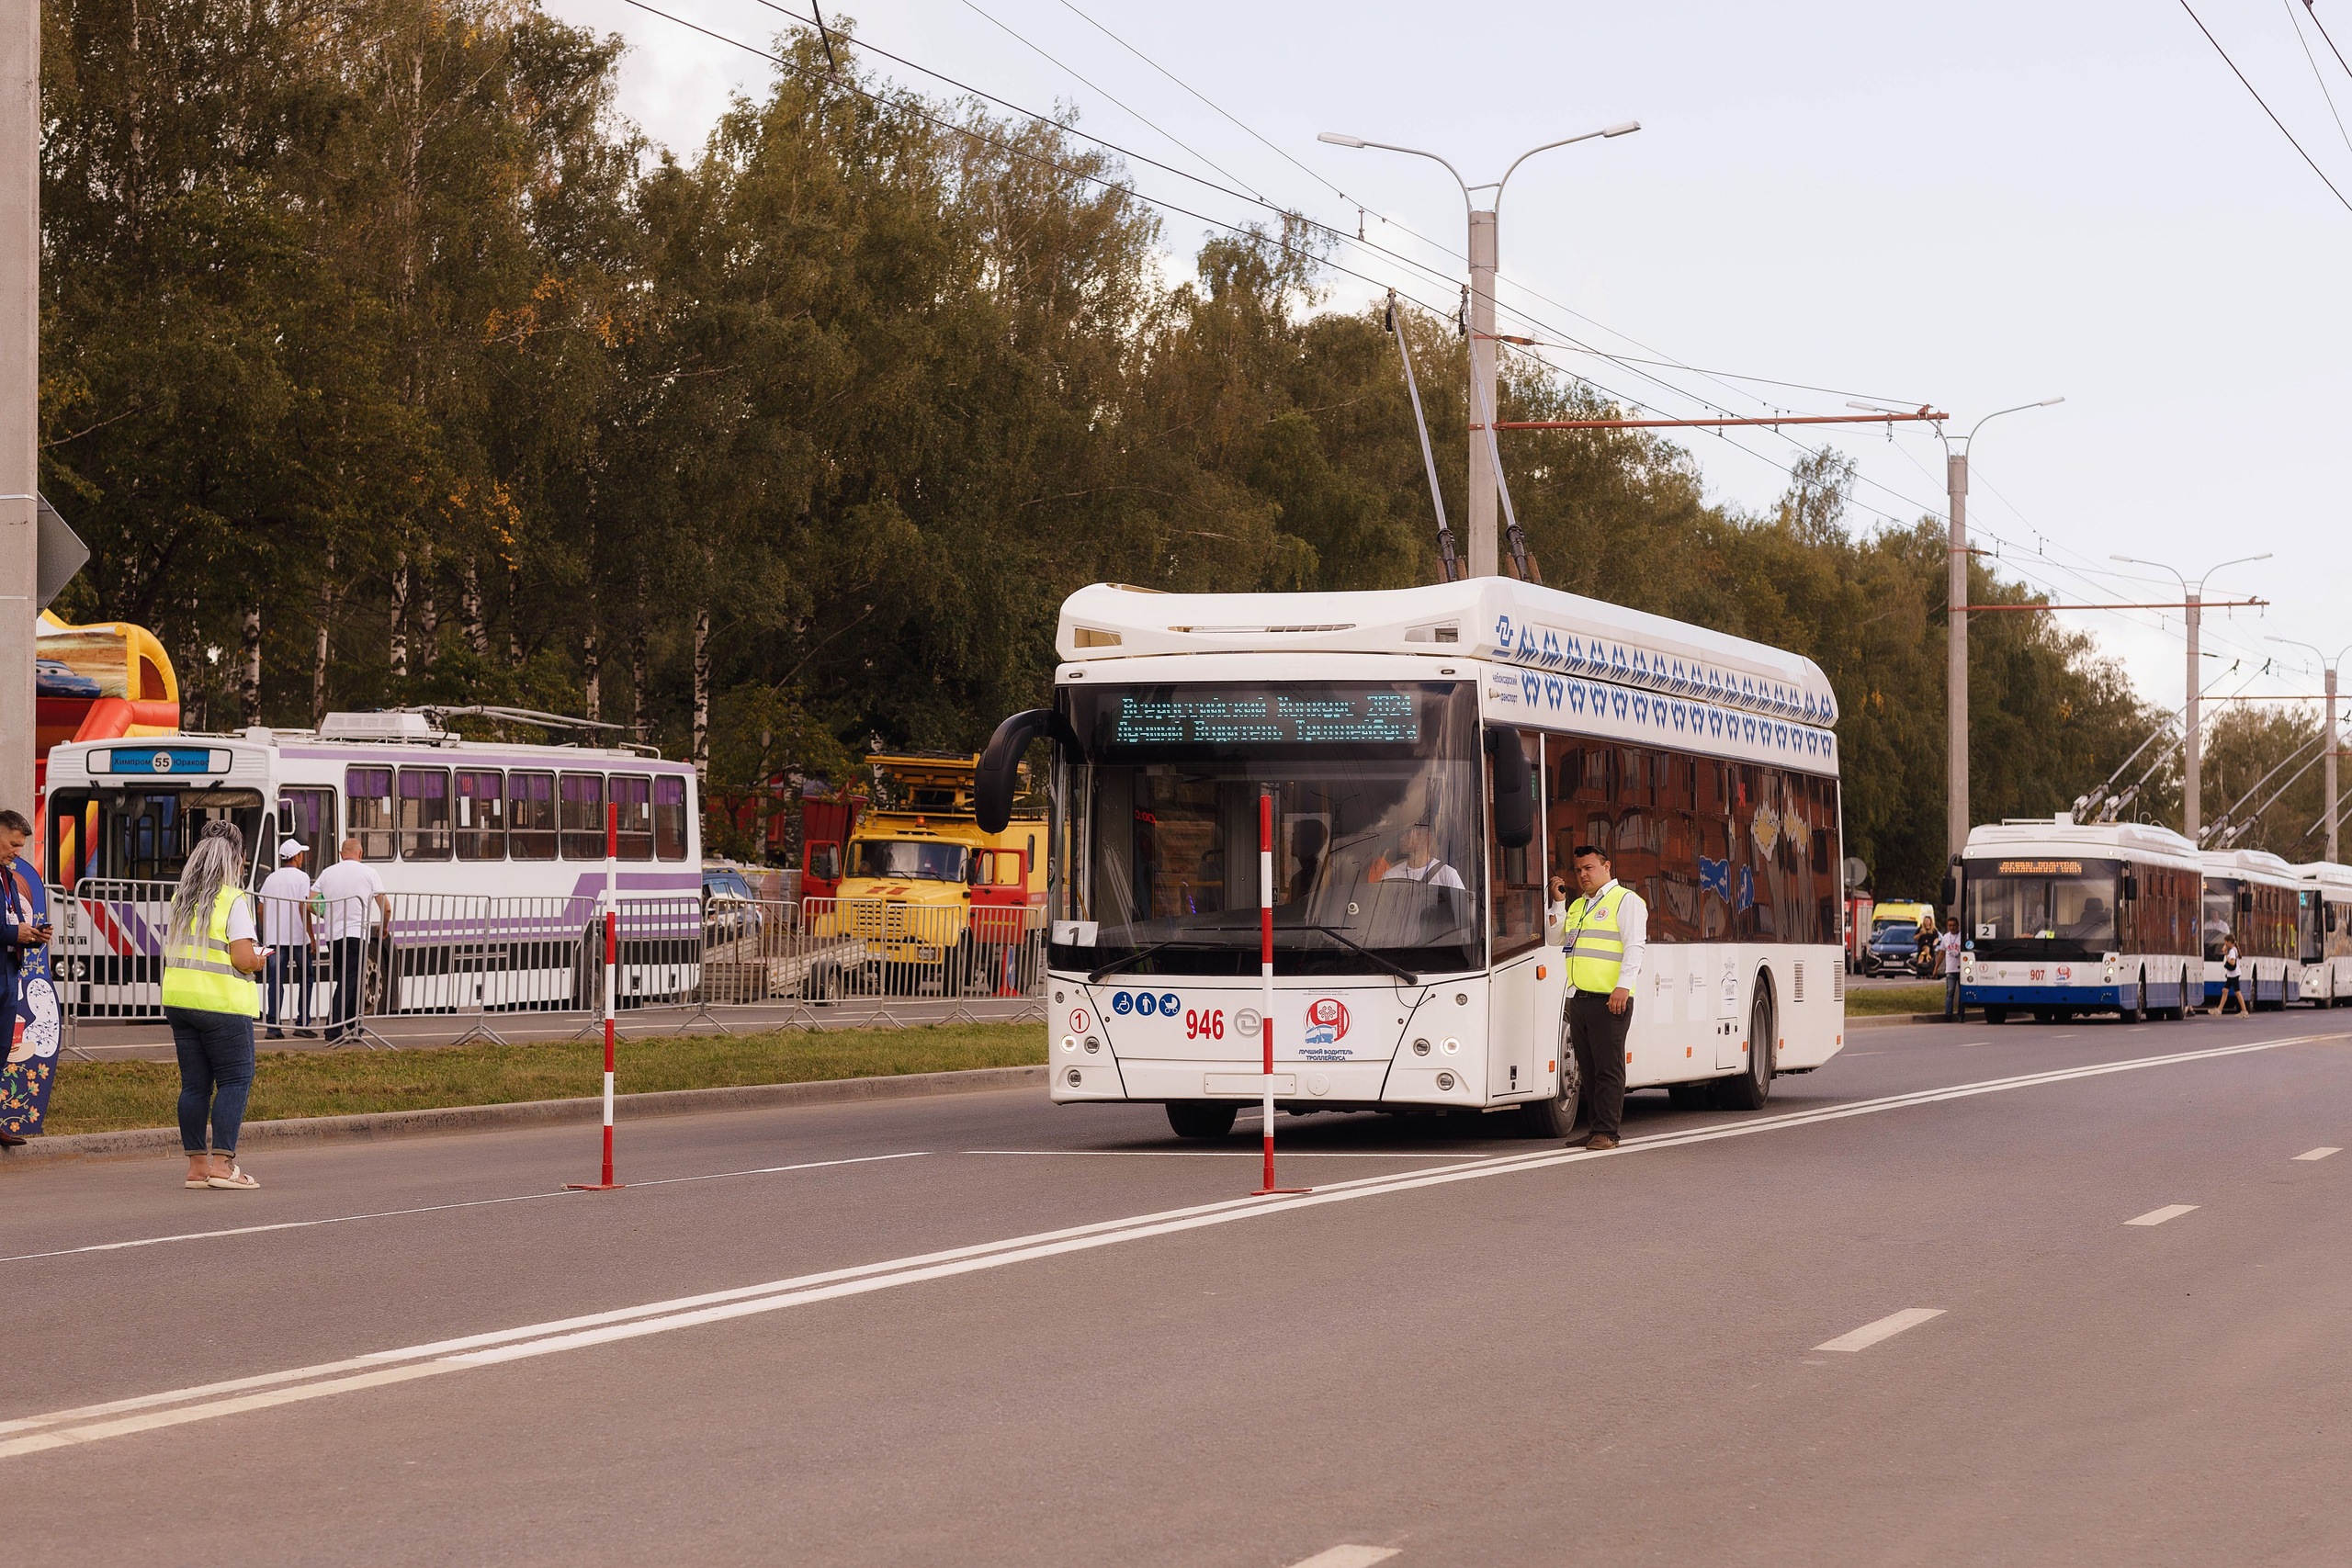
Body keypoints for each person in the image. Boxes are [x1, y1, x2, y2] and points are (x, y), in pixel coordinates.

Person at [162, 819, 268, 1189]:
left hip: (179, 1001)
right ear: (234, 860)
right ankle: (223, 1166)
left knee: (194, 1086)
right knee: (235, 1080)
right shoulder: (232, 899)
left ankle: (197, 1167)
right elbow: (241, 957)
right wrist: (258, 958)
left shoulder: (181, 898)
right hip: (221, 1004)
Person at [1548, 843, 1647, 1152]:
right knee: (1587, 1069)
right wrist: (1559, 904)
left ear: (1606, 866)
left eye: (1589, 868)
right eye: (1578, 870)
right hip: (1580, 998)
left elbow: (1635, 947)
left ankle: (1608, 1132)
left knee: (1608, 1067)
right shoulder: (1578, 905)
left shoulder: (1626, 901)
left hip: (1610, 998)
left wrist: (1623, 986)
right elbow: (1555, 939)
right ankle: (1595, 1129)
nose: (1582, 875)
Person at [0, 807, 49, 1147]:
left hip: (7, 973)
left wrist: (31, 935)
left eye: (19, 847)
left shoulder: (7, 875)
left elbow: (13, 918)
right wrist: (10, 933)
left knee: (3, 1049)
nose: (17, 852)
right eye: (13, 844)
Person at [312, 838, 390, 1043]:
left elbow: (311, 901)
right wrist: (384, 926)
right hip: (357, 935)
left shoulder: (327, 872)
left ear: (341, 854)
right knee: (349, 981)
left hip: (333, 936)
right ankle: (334, 1028)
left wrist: (326, 915)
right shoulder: (369, 873)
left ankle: (354, 1025)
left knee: (349, 979)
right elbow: (386, 906)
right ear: (361, 853)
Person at [257, 838, 317, 1039]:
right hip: (298, 938)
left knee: (275, 981)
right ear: (295, 857)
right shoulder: (302, 878)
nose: (303, 858)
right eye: (301, 854)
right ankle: (303, 1023)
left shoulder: (271, 878)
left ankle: (273, 1027)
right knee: (306, 978)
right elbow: (304, 907)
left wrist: (267, 932)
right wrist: (311, 937)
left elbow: (260, 909)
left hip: (275, 939)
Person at [1378, 824, 1464, 890]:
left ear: (1426, 837)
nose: (1402, 838)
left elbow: (1462, 908)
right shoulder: (1390, 876)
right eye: (1401, 834)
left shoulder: (1447, 875)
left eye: (1408, 833)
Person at [1939, 917, 1964, 1021]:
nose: (1952, 927)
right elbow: (1941, 953)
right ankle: (1948, 1014)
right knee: (1950, 992)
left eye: (1954, 925)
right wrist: (1936, 968)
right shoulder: (1945, 937)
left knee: (1962, 993)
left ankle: (1961, 1015)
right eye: (1950, 925)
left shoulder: (1963, 936)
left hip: (1962, 969)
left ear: (1957, 925)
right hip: (1950, 969)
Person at [2221, 939, 2245, 1015]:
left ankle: (2244, 1011)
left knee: (2237, 992)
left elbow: (2232, 962)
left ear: (2229, 942)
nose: (2225, 944)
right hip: (2232, 974)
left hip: (2234, 975)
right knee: (2225, 990)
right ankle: (2219, 1009)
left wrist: (2226, 955)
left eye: (2225, 942)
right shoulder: (2233, 950)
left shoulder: (2232, 951)